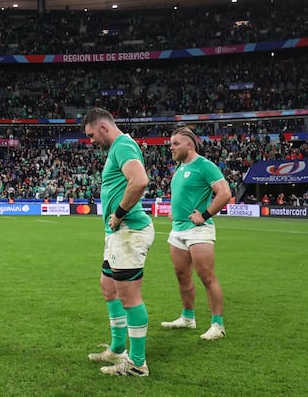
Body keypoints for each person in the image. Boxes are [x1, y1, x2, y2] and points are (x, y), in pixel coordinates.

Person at [83, 108, 154, 377]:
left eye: (91, 135)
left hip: (129, 231)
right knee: (107, 286)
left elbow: (140, 181)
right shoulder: (117, 149)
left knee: (128, 296)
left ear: (104, 127)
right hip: (117, 234)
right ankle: (117, 347)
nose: (91, 141)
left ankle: (137, 364)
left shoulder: (123, 145)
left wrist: (120, 213)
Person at [161, 127, 232, 340]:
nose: (171, 148)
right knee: (182, 276)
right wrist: (175, 212)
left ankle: (217, 325)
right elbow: (183, 195)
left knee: (206, 276)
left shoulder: (205, 166)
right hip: (178, 230)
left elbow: (225, 193)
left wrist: (204, 213)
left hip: (198, 231)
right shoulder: (180, 168)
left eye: (175, 144)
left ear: (189, 145)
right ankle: (187, 318)